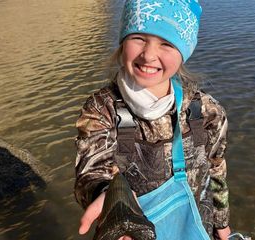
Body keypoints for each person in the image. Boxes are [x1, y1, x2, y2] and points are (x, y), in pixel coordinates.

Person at [74, 0, 231, 239]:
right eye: (138, 38)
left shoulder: (206, 111)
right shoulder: (101, 108)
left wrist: (222, 226)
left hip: (199, 228)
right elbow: (90, 172)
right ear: (123, 41)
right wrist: (113, 199)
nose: (148, 55)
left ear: (183, 53)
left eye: (166, 44)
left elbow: (215, 170)